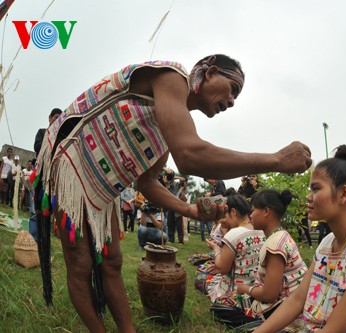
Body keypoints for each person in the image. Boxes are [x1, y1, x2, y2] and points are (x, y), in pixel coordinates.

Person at [33, 54, 312, 332]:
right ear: (210, 72)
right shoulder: (173, 76)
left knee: (113, 261)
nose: (232, 102)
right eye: (233, 89)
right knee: (81, 263)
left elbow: (147, 183)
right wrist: (277, 159)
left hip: (103, 186)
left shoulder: (168, 129)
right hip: (73, 161)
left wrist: (188, 210)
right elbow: (189, 155)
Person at [253, 145, 346, 333]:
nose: (308, 197)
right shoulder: (327, 243)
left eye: (315, 188)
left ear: (343, 194)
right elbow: (297, 299)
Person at [236, 189, 307, 322]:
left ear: (266, 211)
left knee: (224, 307)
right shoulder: (281, 235)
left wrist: (245, 288)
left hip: (288, 308)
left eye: (253, 210)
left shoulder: (275, 245)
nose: (250, 215)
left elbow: (269, 295)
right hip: (297, 302)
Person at [205, 193, 265, 329]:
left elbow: (222, 268)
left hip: (236, 292)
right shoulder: (261, 231)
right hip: (257, 289)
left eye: (225, 215)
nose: (224, 219)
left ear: (233, 212)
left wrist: (215, 249)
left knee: (203, 278)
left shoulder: (234, 233)